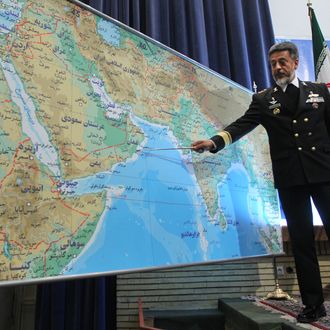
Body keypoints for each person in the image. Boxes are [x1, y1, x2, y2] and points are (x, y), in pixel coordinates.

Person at [192, 41, 330, 324]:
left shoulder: (319, 93)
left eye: (282, 62)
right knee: (302, 244)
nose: (277, 68)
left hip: (324, 174)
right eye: (273, 64)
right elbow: (241, 125)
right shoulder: (264, 100)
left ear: (294, 62)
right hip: (291, 179)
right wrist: (214, 142)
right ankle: (314, 306)